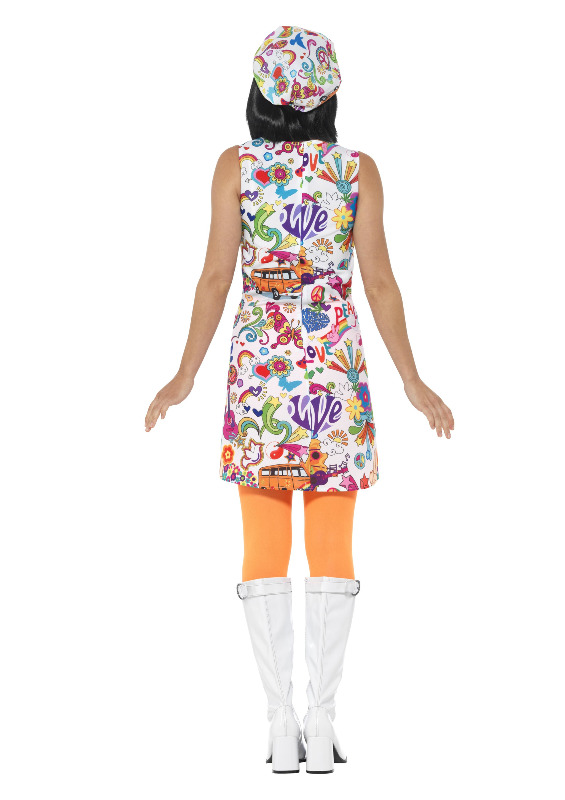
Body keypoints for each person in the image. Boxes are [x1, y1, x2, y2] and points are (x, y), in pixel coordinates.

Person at [145, 25, 454, 774]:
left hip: (260, 375)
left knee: (262, 543)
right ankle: (322, 723)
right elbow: (379, 282)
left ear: (261, 93)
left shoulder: (237, 167)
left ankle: (280, 724)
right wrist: (412, 380)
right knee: (332, 543)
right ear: (328, 95)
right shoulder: (357, 171)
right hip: (333, 376)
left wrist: (184, 374)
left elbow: (215, 278)